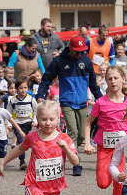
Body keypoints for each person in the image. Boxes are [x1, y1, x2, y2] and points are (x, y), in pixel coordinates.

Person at [37, 36, 103, 176]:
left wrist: (102, 100)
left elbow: (93, 84)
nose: (80, 54)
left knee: (81, 135)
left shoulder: (86, 61)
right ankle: (76, 164)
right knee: (72, 131)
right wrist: (40, 95)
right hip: (66, 102)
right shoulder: (59, 61)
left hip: (82, 102)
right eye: (77, 52)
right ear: (71, 49)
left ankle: (68, 150)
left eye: (82, 51)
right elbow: (46, 79)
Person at [83, 67, 127, 195]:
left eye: (116, 78)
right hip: (104, 148)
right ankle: (111, 177)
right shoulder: (100, 102)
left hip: (122, 150)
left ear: (123, 79)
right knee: (103, 183)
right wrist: (87, 142)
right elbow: (88, 122)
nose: (113, 81)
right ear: (106, 81)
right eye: (109, 78)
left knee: (119, 182)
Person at [8, 79, 38, 170]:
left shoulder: (31, 99)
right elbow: (8, 113)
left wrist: (35, 120)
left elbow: (36, 110)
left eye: (25, 88)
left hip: (28, 124)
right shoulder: (12, 100)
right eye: (21, 88)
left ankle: (36, 161)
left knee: (32, 143)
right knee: (21, 142)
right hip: (18, 124)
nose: (23, 90)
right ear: (17, 89)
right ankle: (22, 161)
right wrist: (9, 125)